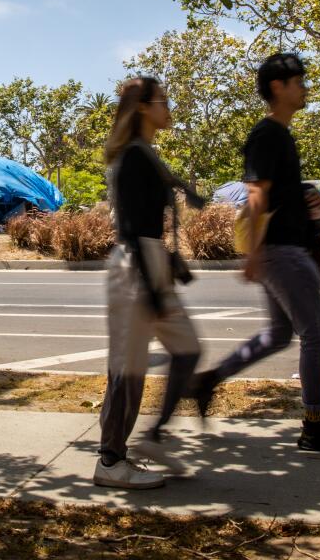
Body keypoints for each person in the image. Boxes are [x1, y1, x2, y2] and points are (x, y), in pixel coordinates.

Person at [191, 53, 320, 453]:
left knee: (277, 335)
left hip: (283, 249)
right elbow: (256, 196)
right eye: (299, 81)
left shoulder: (280, 135)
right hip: (281, 251)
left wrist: (305, 194)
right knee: (317, 334)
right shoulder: (267, 135)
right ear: (278, 87)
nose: (305, 87)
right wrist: (253, 253)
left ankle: (208, 380)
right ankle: (315, 424)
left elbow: (276, 193)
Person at [93, 76, 202, 490]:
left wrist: (187, 193)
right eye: (163, 101)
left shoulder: (146, 154)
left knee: (188, 350)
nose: (168, 108)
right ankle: (110, 460)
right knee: (128, 367)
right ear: (143, 107)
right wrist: (154, 289)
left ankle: (154, 438)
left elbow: (159, 203)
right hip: (136, 265)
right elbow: (133, 226)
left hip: (151, 260)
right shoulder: (134, 157)